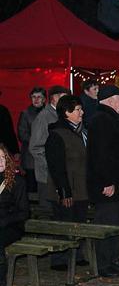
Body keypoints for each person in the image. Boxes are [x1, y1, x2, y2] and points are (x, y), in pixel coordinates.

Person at [87, 85, 119, 278]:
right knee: (106, 222)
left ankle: (113, 257)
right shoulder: (101, 120)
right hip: (108, 184)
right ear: (109, 100)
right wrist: (107, 182)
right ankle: (104, 263)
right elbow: (100, 155)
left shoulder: (112, 118)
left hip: (118, 183)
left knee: (115, 221)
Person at [45, 95, 90, 270]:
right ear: (66, 113)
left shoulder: (81, 132)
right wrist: (64, 192)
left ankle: (77, 256)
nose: (82, 112)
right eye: (78, 109)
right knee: (64, 225)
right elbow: (56, 166)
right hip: (66, 189)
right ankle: (60, 259)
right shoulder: (57, 135)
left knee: (78, 223)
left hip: (81, 188)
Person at [30, 85, 70, 213]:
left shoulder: (59, 115)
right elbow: (36, 147)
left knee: (58, 211)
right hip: (47, 176)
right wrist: (51, 165)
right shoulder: (44, 117)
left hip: (57, 174)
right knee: (48, 212)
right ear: (54, 98)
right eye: (64, 98)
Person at [0, 144, 29, 286]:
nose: (1, 162)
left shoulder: (16, 181)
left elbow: (24, 213)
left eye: (3, 158)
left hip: (11, 226)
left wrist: (3, 221)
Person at [18, 87, 46, 194]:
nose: (36, 99)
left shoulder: (50, 113)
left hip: (46, 155)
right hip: (31, 157)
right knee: (31, 187)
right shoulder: (25, 113)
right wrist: (39, 141)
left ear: (44, 99)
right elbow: (22, 134)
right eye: (34, 97)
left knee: (45, 188)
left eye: (39, 97)